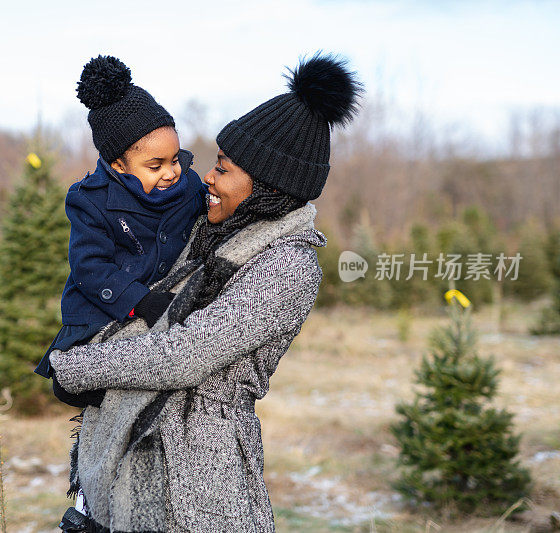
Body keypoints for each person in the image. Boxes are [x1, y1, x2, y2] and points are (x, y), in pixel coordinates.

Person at [49, 52, 362, 532]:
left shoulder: (287, 265)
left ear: (267, 187)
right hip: (127, 453)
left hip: (200, 477)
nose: (206, 178)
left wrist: (75, 367)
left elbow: (185, 354)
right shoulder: (208, 228)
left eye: (224, 167)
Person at [34, 54, 207, 409]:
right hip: (106, 295)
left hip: (162, 292)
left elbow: (212, 213)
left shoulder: (188, 185)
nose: (171, 172)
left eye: (175, 159)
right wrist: (137, 300)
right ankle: (76, 376)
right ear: (118, 165)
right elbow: (89, 265)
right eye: (155, 165)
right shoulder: (91, 199)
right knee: (85, 356)